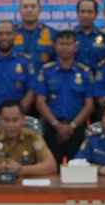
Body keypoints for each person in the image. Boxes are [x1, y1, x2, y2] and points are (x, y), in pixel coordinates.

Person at [34, 30, 96, 161]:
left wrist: (72, 126)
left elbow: (89, 104)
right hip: (51, 127)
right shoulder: (46, 71)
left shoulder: (85, 72)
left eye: (69, 44)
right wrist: (57, 125)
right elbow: (40, 102)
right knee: (50, 168)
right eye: (61, 44)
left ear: (76, 47)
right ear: (55, 46)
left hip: (77, 128)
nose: (65, 47)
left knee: (78, 168)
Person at [0, 99, 57, 178]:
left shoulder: (33, 137)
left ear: (23, 120)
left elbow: (51, 166)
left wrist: (22, 170)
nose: (10, 125)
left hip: (25, 186)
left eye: (15, 120)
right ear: (0, 120)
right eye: (6, 120)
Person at [13, 0, 56, 66]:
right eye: (25, 7)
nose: (29, 10)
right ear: (19, 10)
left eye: (33, 6)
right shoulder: (10, 33)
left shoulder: (53, 34)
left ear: (40, 9)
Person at [71, 0, 105, 69]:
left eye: (89, 12)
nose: (85, 15)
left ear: (96, 14)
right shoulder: (70, 36)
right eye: (82, 11)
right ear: (77, 14)